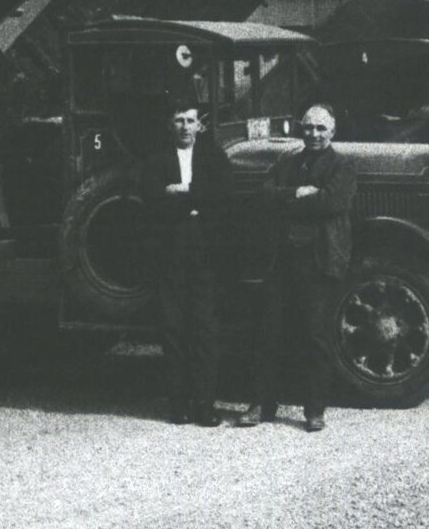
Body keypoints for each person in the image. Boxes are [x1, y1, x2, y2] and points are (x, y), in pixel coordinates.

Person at [237, 104, 354, 433]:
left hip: (318, 261)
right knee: (269, 332)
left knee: (315, 336)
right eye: (308, 128)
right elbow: (264, 195)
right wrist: (298, 194)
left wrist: (288, 202)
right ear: (300, 129)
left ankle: (314, 410)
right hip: (281, 260)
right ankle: (262, 405)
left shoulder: (341, 165)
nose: (314, 134)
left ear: (332, 132)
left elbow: (333, 203)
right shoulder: (287, 161)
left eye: (320, 129)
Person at [137, 97, 226, 425]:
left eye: (191, 120)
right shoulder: (156, 159)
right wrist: (190, 198)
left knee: (204, 330)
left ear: (199, 124)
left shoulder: (213, 156)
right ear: (169, 125)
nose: (185, 127)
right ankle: (179, 405)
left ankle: (205, 405)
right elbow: (150, 198)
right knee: (173, 329)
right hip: (169, 253)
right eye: (179, 121)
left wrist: (179, 190)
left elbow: (221, 196)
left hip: (204, 253)